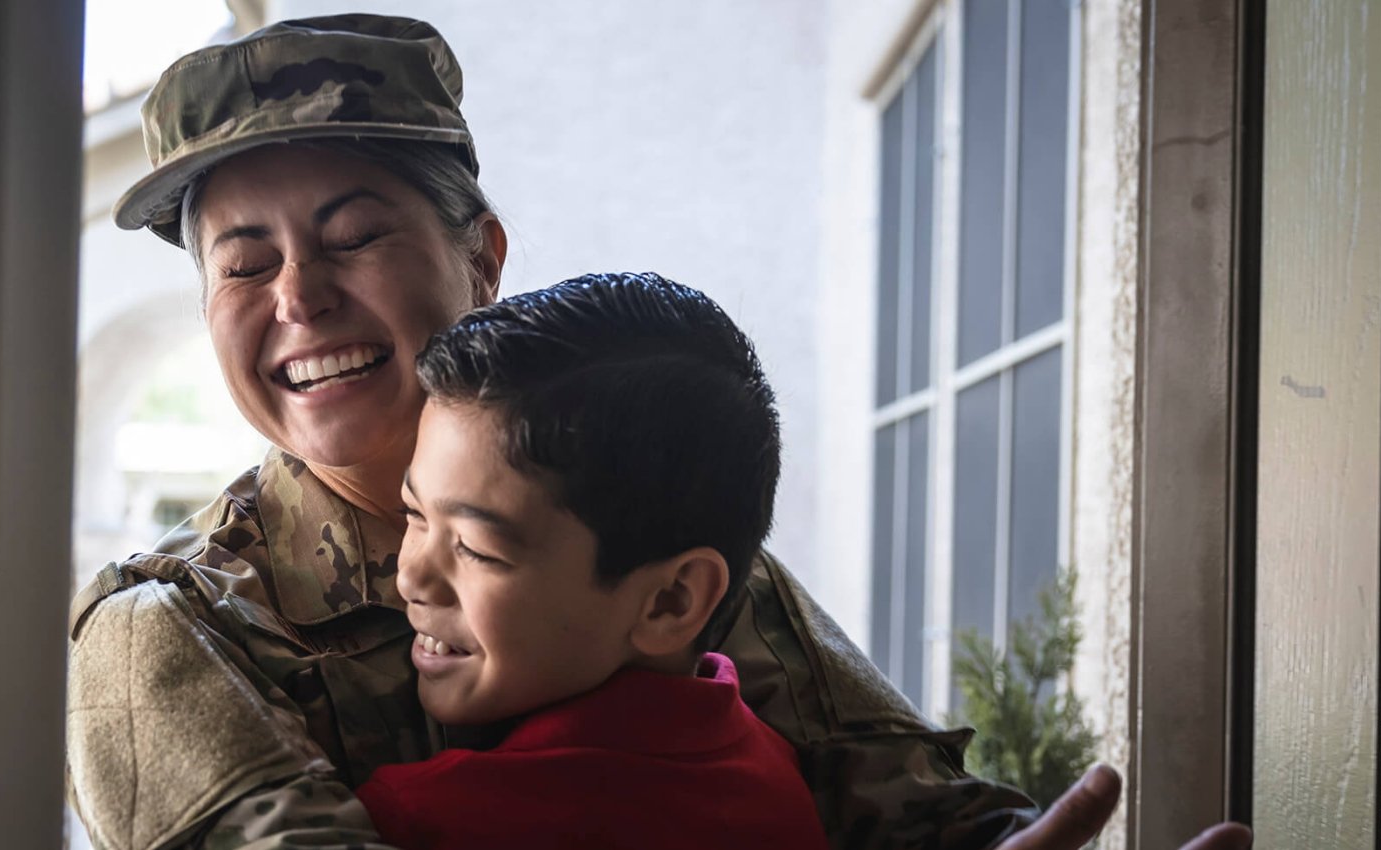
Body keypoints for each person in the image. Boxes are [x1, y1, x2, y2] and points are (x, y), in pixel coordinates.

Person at [64, 13, 1252, 850]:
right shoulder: (169, 635)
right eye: (244, 262)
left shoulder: (638, 516)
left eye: (353, 233)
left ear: (482, 259)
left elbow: (908, 811)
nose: (299, 298)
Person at [351, 272, 828, 849]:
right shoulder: (776, 767)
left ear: (670, 601)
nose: (411, 576)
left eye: (475, 548)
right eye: (415, 514)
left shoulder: (431, 820)